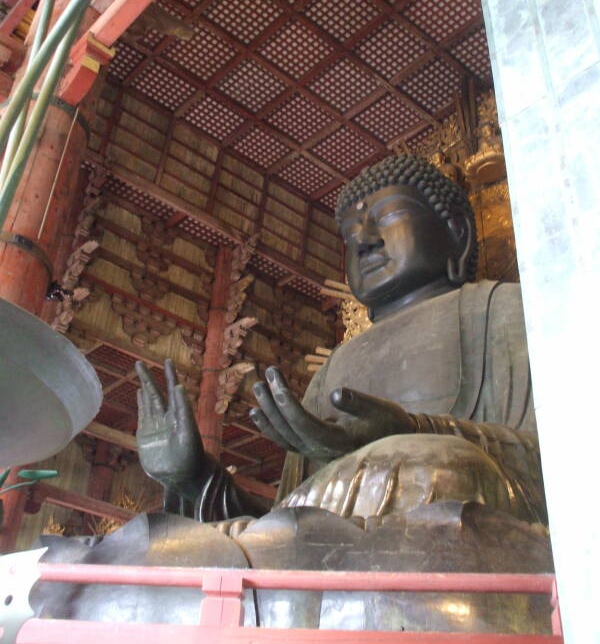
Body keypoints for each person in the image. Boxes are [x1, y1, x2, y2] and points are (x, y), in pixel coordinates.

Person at [31, 155, 553, 633]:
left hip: (462, 496)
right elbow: (298, 513)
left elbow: (563, 467)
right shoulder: (341, 364)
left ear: (456, 233)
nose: (365, 242)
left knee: (428, 462)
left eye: (387, 217)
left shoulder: (505, 310)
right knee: (187, 536)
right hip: (344, 543)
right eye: (351, 237)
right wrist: (198, 479)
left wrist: (415, 430)